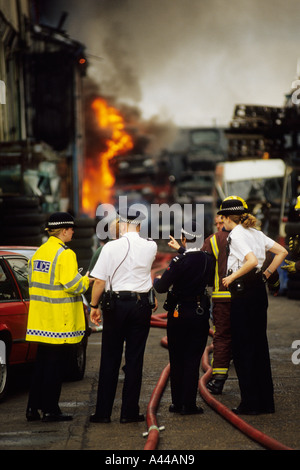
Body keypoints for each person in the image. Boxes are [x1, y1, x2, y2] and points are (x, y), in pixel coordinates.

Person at [219, 198, 287, 415]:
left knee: (242, 348)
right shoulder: (255, 232)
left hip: (243, 290)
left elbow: (249, 261)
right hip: (258, 290)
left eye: (223, 218)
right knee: (259, 346)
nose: (222, 222)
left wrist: (231, 278)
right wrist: (266, 274)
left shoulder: (237, 234)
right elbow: (282, 252)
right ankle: (266, 402)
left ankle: (250, 403)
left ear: (229, 218)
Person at [89, 208, 157, 423]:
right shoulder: (151, 246)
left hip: (115, 306)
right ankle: (129, 412)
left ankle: (103, 413)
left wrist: (93, 306)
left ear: (121, 222)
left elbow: (99, 281)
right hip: (140, 306)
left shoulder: (110, 247)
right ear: (140, 224)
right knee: (135, 359)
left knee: (110, 357)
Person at [26, 212, 93, 422]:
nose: (74, 232)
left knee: (41, 366)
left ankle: (32, 409)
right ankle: (50, 410)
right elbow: (73, 285)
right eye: (72, 229)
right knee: (55, 369)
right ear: (64, 230)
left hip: (40, 321)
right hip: (59, 323)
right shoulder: (65, 254)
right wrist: (87, 281)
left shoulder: (39, 253)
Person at [154, 221, 214, 415]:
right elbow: (200, 265)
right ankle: (189, 404)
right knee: (193, 359)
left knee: (177, 358)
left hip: (179, 313)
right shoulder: (207, 259)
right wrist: (182, 250)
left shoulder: (179, 261)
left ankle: (177, 403)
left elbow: (162, 287)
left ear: (183, 238)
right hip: (199, 312)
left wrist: (156, 279)